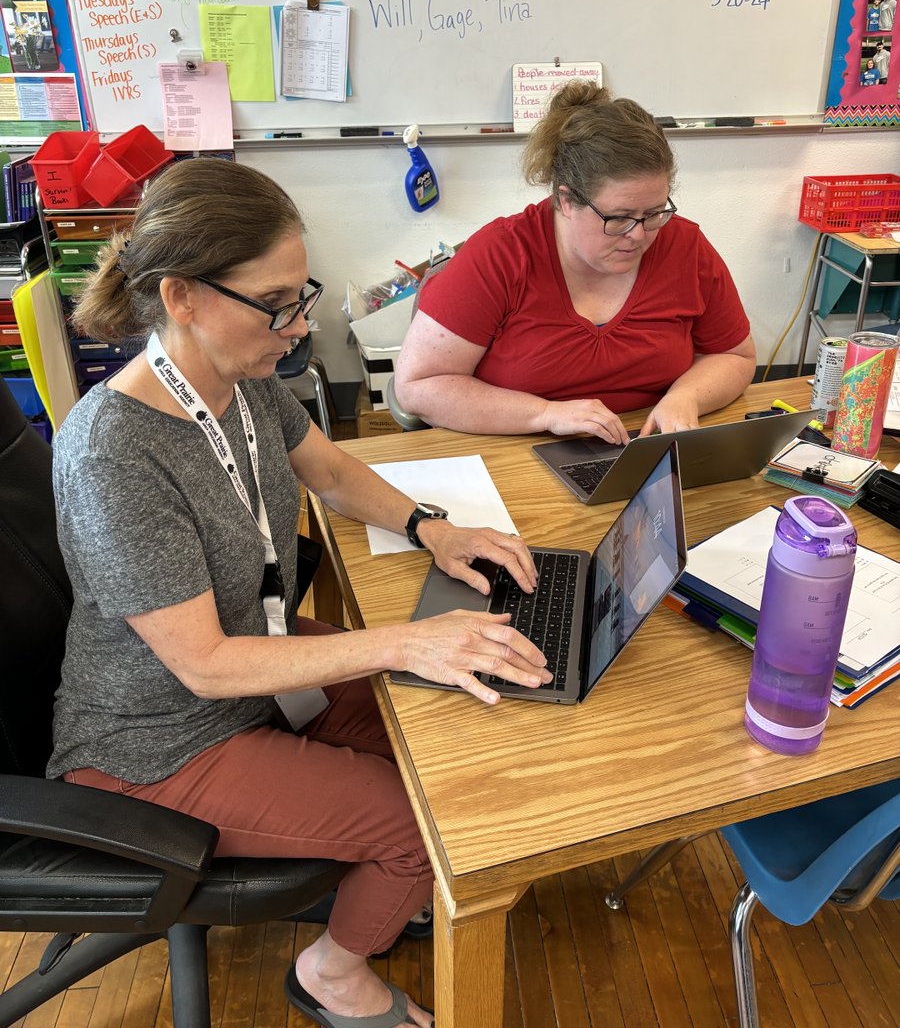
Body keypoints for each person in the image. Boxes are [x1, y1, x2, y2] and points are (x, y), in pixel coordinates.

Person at [48, 158, 550, 1028]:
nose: (298, 323)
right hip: (158, 737)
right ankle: (332, 974)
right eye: (276, 303)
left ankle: (386, 888)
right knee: (412, 821)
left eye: (300, 293)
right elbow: (202, 666)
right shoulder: (115, 455)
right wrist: (404, 640)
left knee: (450, 735)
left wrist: (434, 527)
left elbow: (324, 467)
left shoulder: (240, 381)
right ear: (183, 298)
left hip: (264, 667)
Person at [394, 81, 756, 443]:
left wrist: (685, 397)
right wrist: (545, 413)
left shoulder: (685, 247)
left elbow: (735, 356)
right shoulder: (501, 255)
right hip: (517, 448)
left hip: (643, 447)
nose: (639, 234)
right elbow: (420, 386)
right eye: (619, 217)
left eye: (654, 213)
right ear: (566, 201)